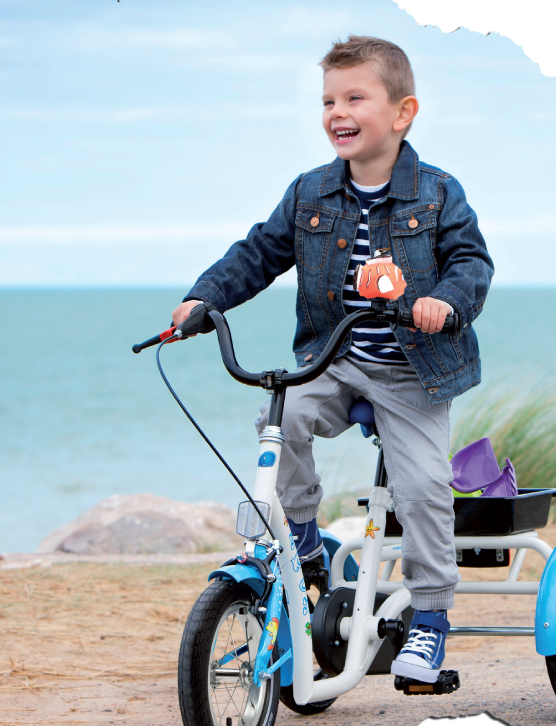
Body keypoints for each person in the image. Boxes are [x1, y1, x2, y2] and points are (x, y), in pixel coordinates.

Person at [171, 35, 494, 683]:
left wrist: (446, 302)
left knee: (422, 487)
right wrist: (205, 298)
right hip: (334, 360)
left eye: (355, 98)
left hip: (412, 370)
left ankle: (430, 619)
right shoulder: (310, 193)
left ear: (402, 113)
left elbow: (471, 263)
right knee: (279, 417)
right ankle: (303, 540)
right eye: (328, 101)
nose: (337, 112)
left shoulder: (437, 193)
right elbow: (258, 253)